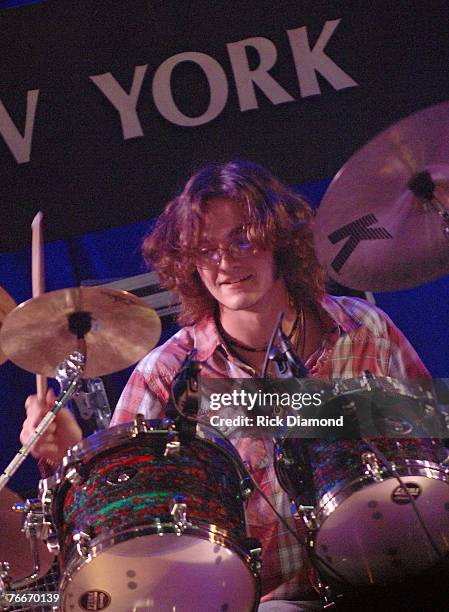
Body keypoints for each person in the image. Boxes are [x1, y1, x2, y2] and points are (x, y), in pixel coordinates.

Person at [20, 160, 430, 610]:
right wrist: (72, 460)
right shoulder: (167, 374)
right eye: (206, 250)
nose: (226, 262)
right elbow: (115, 518)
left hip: (396, 565)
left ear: (278, 241)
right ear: (189, 264)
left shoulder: (364, 328)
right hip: (275, 599)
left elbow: (436, 448)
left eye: (242, 239)